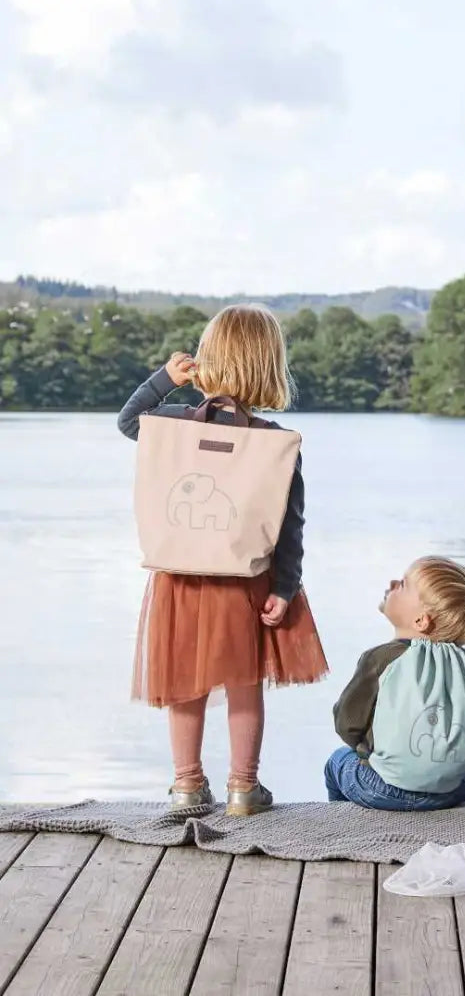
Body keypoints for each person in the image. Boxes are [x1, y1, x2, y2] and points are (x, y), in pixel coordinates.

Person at [117, 304, 328, 815]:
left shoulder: (171, 425)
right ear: (269, 367)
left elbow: (127, 422)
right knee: (244, 683)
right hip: (244, 580)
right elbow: (289, 527)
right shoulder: (275, 444)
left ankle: (187, 785)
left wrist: (164, 379)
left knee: (182, 686)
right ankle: (243, 788)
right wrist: (285, 587)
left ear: (207, 362)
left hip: (179, 578)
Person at [326, 556, 465, 810]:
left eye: (403, 584)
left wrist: (367, 751)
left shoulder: (380, 658)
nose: (393, 582)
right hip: (451, 789)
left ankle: (345, 826)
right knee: (460, 773)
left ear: (421, 621)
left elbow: (347, 725)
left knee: (337, 761)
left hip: (382, 788)